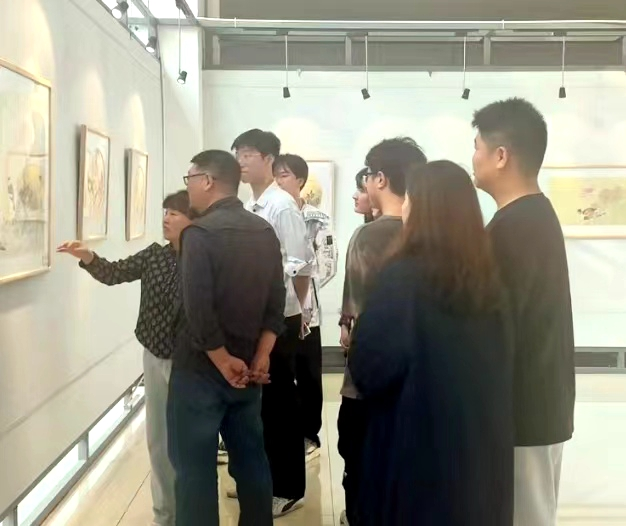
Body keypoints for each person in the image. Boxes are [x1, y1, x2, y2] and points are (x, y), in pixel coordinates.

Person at [349, 160, 514, 526]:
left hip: (416, 451)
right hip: (477, 451)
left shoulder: (402, 277)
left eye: (409, 198)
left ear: (422, 208)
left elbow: (370, 368)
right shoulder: (488, 279)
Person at [57, 190, 194, 526]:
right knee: (158, 442)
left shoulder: (203, 261)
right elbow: (114, 273)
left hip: (191, 362)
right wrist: (88, 256)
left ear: (193, 220)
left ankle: (191, 512)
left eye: (175, 213)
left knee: (188, 443)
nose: (166, 218)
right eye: (165, 211)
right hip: (154, 355)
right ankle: (164, 515)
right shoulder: (154, 255)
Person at [167, 150, 286, 526]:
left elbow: (198, 312)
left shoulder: (198, 234)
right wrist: (262, 355)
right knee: (252, 462)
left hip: (200, 371)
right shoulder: (263, 231)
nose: (188, 188)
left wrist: (222, 362)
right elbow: (276, 302)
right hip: (249, 369)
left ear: (207, 181)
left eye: (190, 179)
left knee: (194, 471)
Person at [472, 97, 576, 526]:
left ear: (501, 156)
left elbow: (495, 329)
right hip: (536, 403)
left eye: (477, 147)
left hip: (522, 411)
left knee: (525, 516)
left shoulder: (514, 227)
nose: (473, 158)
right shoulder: (530, 216)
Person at [338, 137, 427, 526]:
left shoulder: (368, 236)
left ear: (380, 179)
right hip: (419, 379)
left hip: (369, 380)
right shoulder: (429, 234)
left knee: (361, 465)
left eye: (368, 176)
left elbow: (356, 316)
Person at [232, 129, 311, 517]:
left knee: (281, 405)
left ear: (268, 159)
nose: (241, 161)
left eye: (248, 154)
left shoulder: (281, 206)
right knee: (260, 405)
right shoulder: (251, 205)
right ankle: (261, 481)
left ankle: (289, 487)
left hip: (281, 317)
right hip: (257, 316)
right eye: (238, 155)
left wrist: (294, 312)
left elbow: (301, 265)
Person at [273, 153, 339, 461]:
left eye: (284, 175)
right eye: (276, 175)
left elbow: (327, 264)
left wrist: (298, 280)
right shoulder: (268, 212)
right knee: (280, 374)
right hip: (275, 308)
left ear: (300, 180)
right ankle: (280, 433)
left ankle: (309, 433)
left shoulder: (317, 218)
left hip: (306, 310)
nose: (278, 181)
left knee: (309, 374)